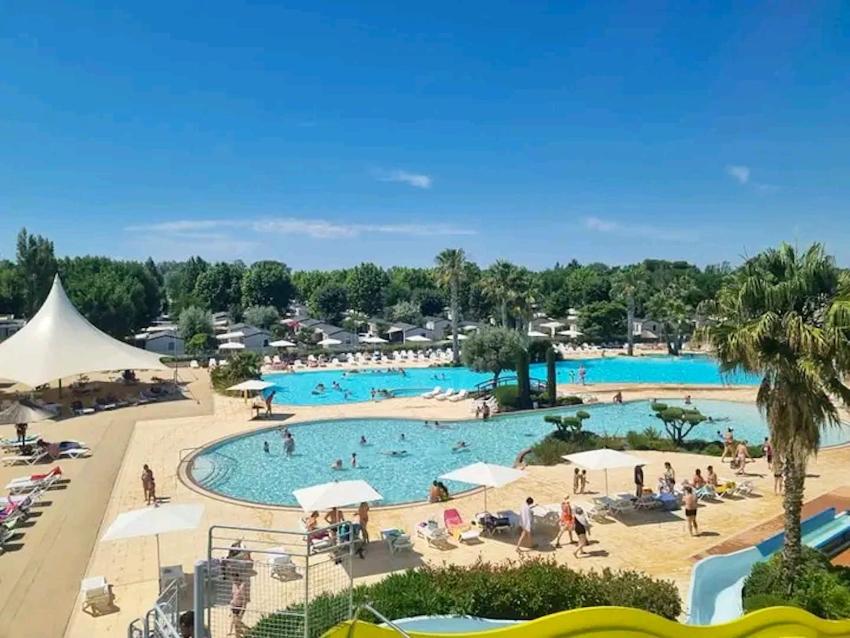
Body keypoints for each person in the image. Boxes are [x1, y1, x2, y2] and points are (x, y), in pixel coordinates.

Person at [230, 570, 249, 638]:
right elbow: (233, 595)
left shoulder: (242, 586)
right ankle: (238, 636)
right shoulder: (234, 585)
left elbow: (245, 599)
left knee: (237, 622)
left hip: (240, 606)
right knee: (236, 624)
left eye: (235, 579)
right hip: (234, 606)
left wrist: (242, 610)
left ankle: (248, 631)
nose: (234, 581)